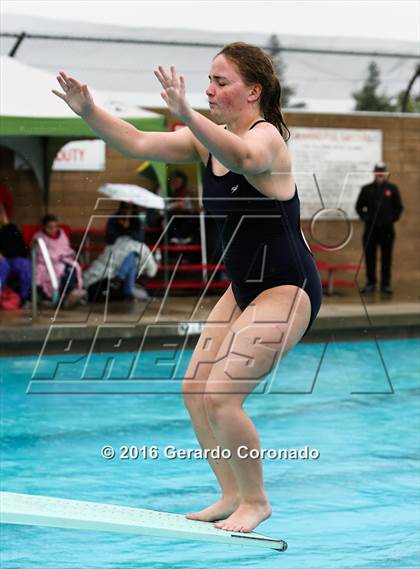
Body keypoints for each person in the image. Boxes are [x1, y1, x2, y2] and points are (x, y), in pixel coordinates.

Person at [53, 41, 323, 534]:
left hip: (288, 286)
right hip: (243, 287)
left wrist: (188, 115)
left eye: (221, 81)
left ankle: (256, 500)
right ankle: (231, 493)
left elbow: (241, 155)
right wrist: (89, 111)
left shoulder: (268, 141)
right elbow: (135, 141)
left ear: (253, 91)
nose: (210, 88)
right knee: (195, 389)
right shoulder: (206, 140)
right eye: (210, 79)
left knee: (222, 395)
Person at [356, 162, 403, 295]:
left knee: (386, 257)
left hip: (387, 230)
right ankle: (371, 283)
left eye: (382, 172)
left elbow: (399, 208)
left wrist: (391, 219)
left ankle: (385, 284)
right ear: (374, 173)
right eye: (378, 172)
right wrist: (366, 218)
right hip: (370, 230)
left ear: (386, 174)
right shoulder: (367, 189)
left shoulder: (392, 189)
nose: (380, 175)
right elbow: (359, 207)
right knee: (370, 257)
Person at [31, 214, 86, 307]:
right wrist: (55, 257)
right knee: (62, 270)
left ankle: (71, 294)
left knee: (72, 268)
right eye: (50, 227)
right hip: (46, 263)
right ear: (44, 227)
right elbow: (38, 253)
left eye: (55, 227)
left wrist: (62, 256)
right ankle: (65, 296)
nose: (53, 230)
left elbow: (65, 248)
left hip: (63, 259)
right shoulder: (38, 237)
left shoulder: (62, 234)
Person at [104, 202, 149, 300]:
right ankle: (126, 289)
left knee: (131, 257)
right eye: (126, 208)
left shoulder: (136, 220)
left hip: (132, 250)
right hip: (116, 252)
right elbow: (109, 239)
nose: (128, 211)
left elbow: (140, 238)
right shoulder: (114, 219)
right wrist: (121, 229)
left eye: (130, 208)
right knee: (131, 260)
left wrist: (127, 229)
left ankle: (119, 279)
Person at [0, 203, 31, 307]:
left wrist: (4, 254)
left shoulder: (11, 228)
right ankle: (1, 296)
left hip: (12, 257)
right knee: (3, 266)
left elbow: (20, 248)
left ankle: (23, 299)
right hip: (2, 260)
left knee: (25, 265)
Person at [167, 169, 198, 244]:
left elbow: (192, 207)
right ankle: (175, 237)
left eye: (180, 182)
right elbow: (162, 207)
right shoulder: (166, 190)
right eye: (176, 182)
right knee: (169, 215)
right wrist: (175, 205)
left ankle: (183, 237)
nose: (178, 184)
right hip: (171, 215)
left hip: (184, 214)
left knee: (192, 216)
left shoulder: (186, 192)